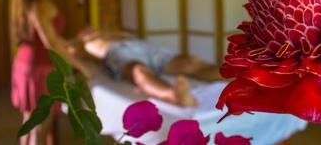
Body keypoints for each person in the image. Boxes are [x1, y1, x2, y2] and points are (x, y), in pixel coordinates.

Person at [10, 0, 92, 145]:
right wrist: (80, 66)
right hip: (39, 70)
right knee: (39, 128)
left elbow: (49, 38)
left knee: (29, 122)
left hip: (27, 65)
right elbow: (51, 44)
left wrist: (69, 42)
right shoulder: (38, 4)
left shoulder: (26, 1)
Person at [70, 29, 224, 107]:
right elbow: (70, 55)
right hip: (117, 52)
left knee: (189, 62)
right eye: (84, 30)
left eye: (89, 27)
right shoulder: (83, 44)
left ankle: (235, 74)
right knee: (138, 71)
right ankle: (174, 95)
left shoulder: (109, 32)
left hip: (145, 49)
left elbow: (127, 36)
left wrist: (110, 33)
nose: (88, 29)